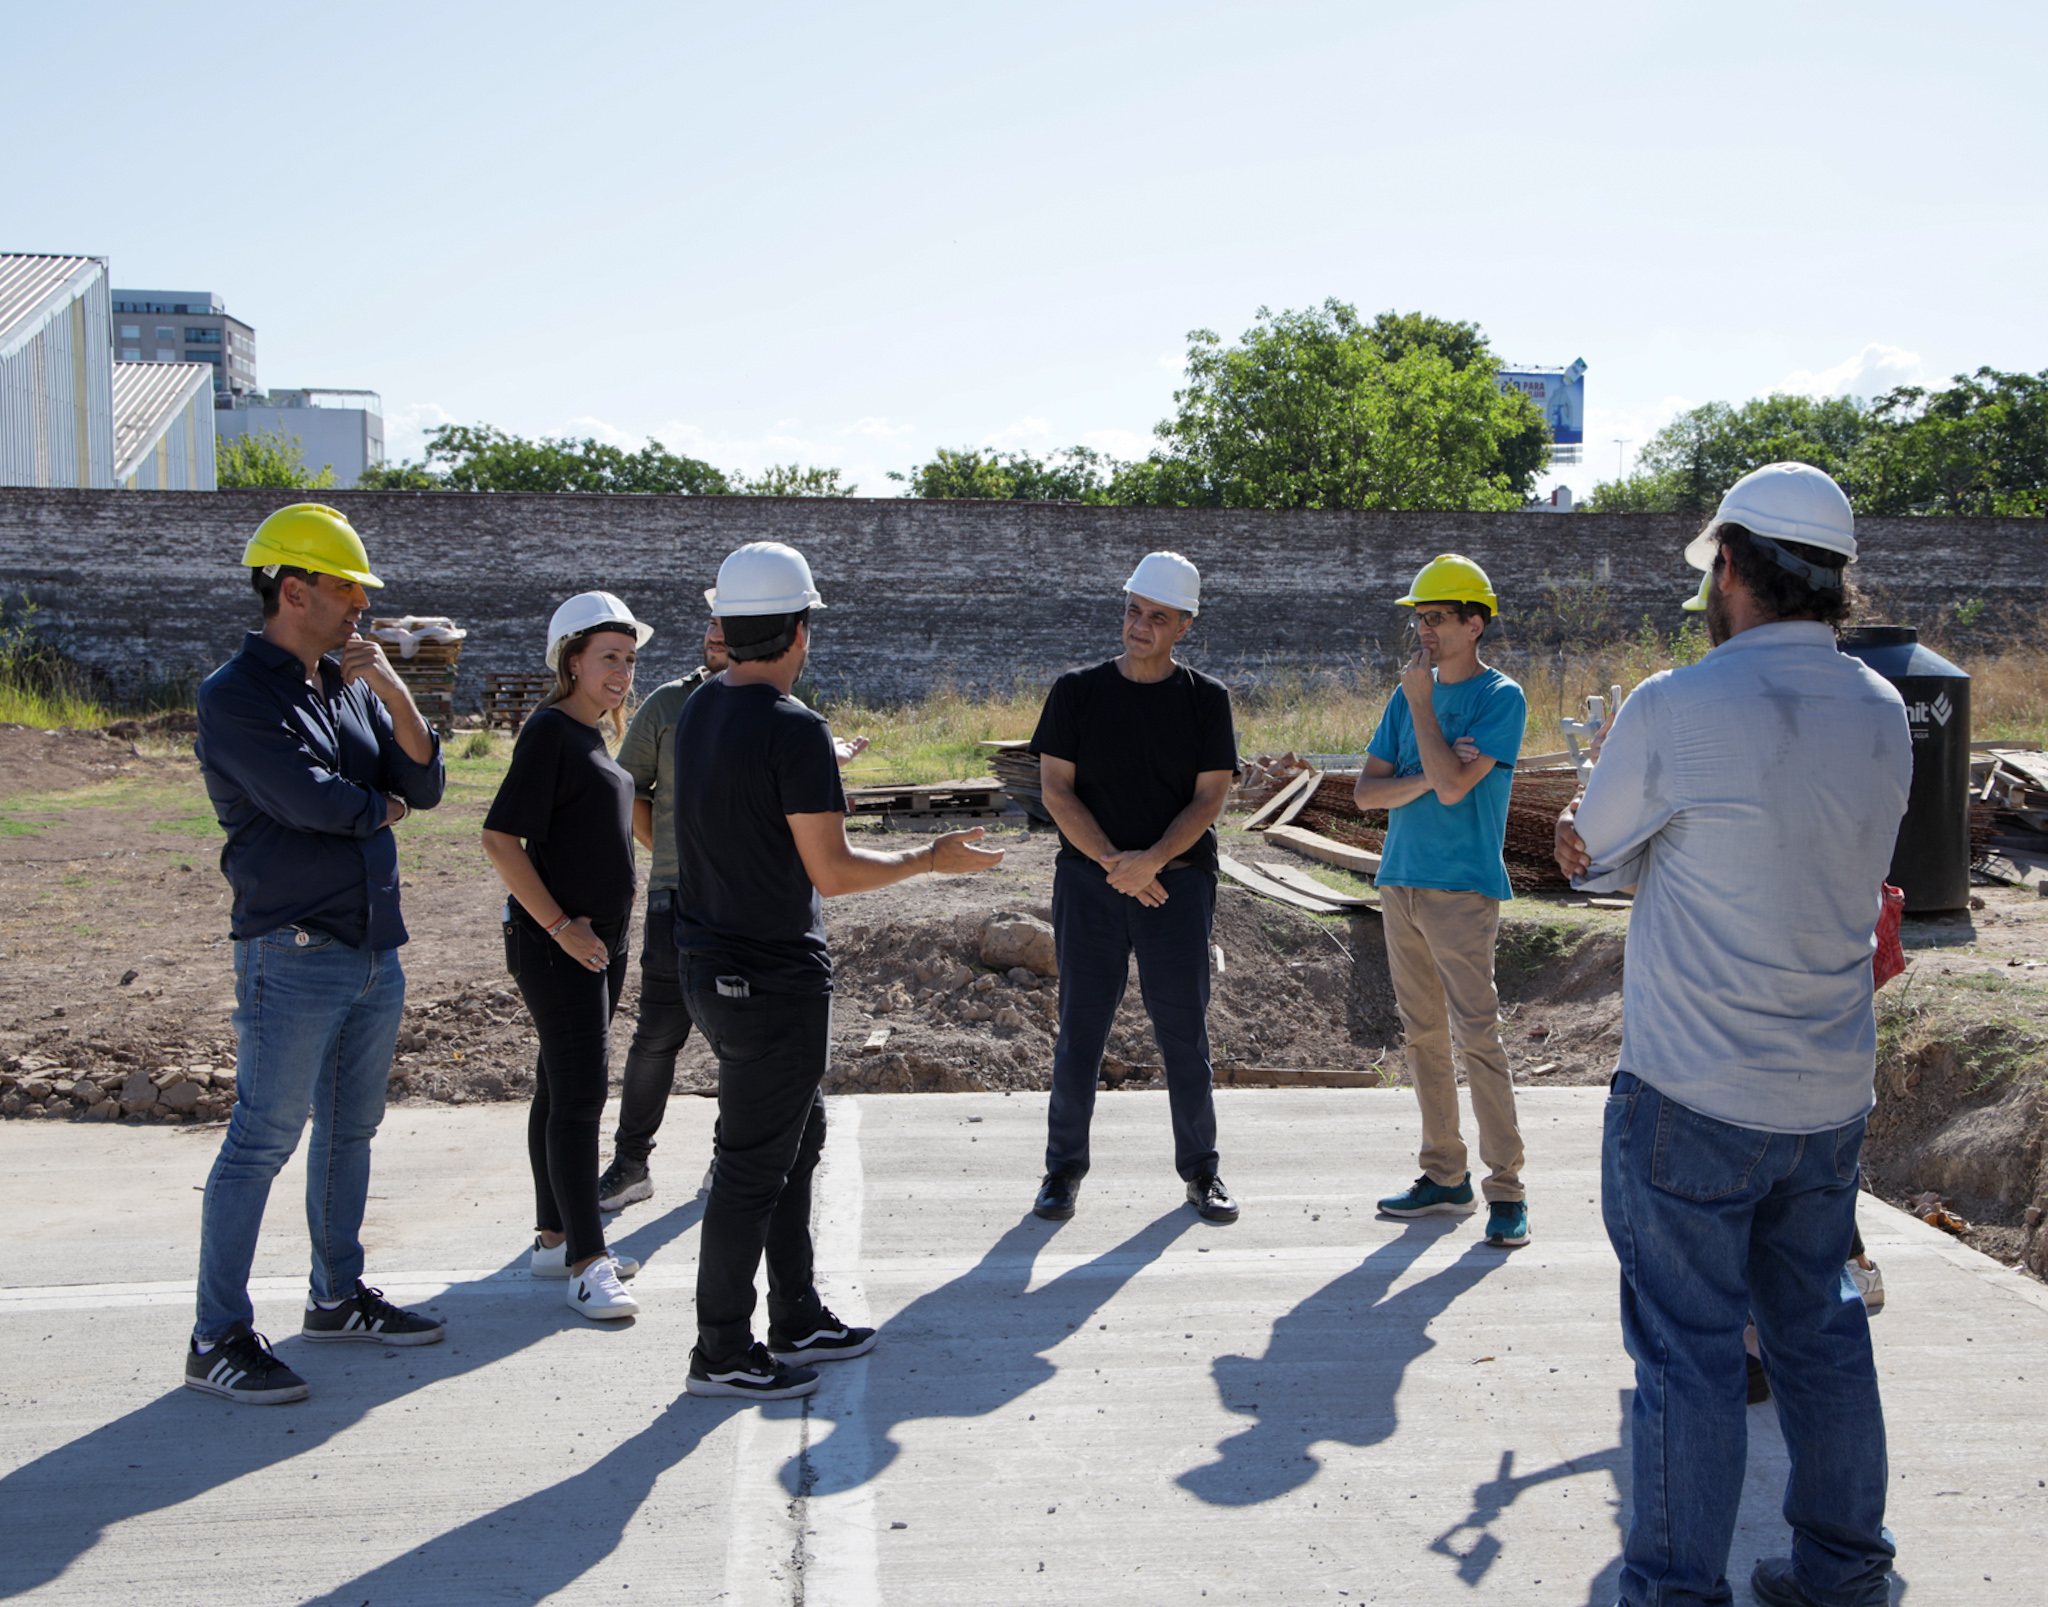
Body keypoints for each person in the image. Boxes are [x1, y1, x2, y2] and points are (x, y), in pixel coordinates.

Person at [1554, 462, 1910, 1607]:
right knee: (1818, 1334)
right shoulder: (1881, 710)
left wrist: (1576, 822)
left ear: (1733, 566)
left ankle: (1672, 1589)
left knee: (1687, 1354)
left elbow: (1590, 850)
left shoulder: (1673, 703)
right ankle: (1845, 1570)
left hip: (1693, 1097)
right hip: (1825, 1097)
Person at [674, 541, 1004, 1400]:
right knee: (752, 1162)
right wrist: (929, 860)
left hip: (710, 963)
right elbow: (832, 870)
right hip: (772, 977)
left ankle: (796, 1313)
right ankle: (720, 1349)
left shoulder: (701, 709)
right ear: (798, 630)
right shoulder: (793, 727)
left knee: (797, 1138)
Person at [186, 503, 447, 1405]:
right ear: (292, 590)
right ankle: (215, 1334)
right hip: (292, 951)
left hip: (372, 946)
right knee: (261, 1139)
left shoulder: (341, 682)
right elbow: (320, 802)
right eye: (346, 588)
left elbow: (422, 780)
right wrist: (380, 805)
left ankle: (336, 1295)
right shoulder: (235, 697)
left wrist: (392, 692)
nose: (361, 607)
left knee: (350, 1132)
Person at [598, 616, 870, 1214]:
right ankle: (630, 1164)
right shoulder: (675, 705)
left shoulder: (783, 712)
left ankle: (733, 1158)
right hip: (678, 894)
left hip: (749, 905)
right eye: (712, 629)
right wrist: (672, 851)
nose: (718, 638)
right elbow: (626, 789)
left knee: (743, 1046)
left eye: (731, 629)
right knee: (657, 1038)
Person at [1030, 551, 1240, 1226]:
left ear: (1184, 625)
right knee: (1080, 1033)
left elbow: (1210, 798)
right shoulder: (1076, 692)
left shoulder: (1207, 701)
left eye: (1156, 616)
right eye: (1132, 610)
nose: (1139, 625)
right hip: (1091, 887)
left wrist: (1152, 861)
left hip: (1176, 889)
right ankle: (1061, 1172)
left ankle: (1202, 1171)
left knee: (1184, 1033)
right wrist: (1116, 863)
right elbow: (1054, 790)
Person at [482, 591, 654, 1322]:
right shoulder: (551, 732)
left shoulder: (593, 736)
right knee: (582, 1095)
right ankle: (589, 1263)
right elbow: (499, 839)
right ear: (572, 660)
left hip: (599, 940)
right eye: (608, 656)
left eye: (629, 658)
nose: (621, 670)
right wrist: (560, 927)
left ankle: (555, 1240)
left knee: (559, 1085)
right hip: (562, 944)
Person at [1354, 555, 1532, 1249]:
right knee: (1422, 1037)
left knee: (1477, 1037)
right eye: (1418, 618)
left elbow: (1457, 791)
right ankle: (1444, 1174)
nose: (1423, 630)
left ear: (1474, 621)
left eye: (1435, 617)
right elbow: (1367, 792)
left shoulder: (1499, 698)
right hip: (1399, 881)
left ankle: (1507, 1188)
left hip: (1462, 890)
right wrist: (1432, 771)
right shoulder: (1406, 699)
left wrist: (1428, 730)